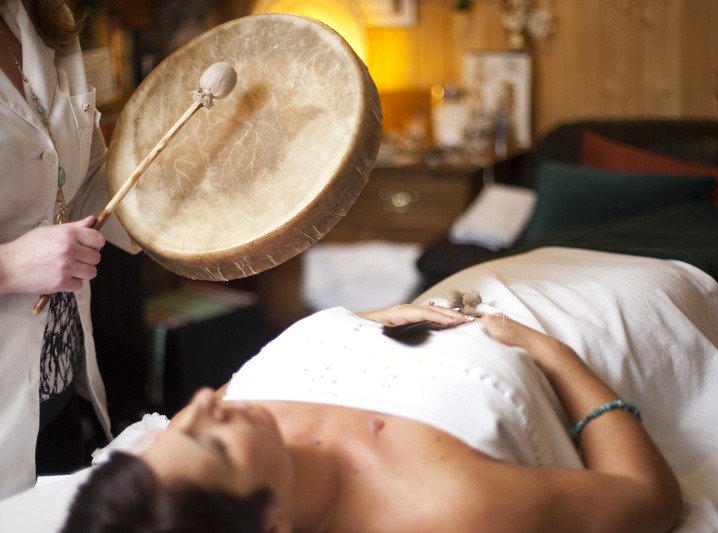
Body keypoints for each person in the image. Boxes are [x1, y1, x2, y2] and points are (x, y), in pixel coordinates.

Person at [62, 302, 682, 533]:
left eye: (186, 427)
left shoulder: (189, 459)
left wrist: (366, 322)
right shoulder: (443, 509)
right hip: (575, 314)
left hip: (426, 308)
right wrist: (551, 352)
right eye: (214, 443)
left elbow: (232, 396)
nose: (202, 404)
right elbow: (645, 496)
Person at [0, 0, 135, 499]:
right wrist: (8, 266)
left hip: (56, 394)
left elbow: (79, 185)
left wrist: (172, 182)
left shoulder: (43, 17)